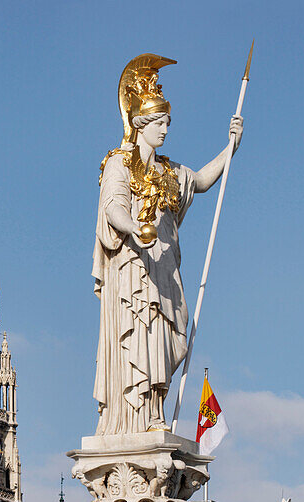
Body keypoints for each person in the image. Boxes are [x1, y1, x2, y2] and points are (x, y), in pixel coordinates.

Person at [93, 55, 243, 434]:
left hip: (164, 268)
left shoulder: (169, 171)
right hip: (133, 271)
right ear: (140, 124)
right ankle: (139, 415)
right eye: (159, 123)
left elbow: (203, 181)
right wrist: (136, 230)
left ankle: (155, 408)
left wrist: (231, 147)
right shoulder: (119, 165)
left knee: (164, 336)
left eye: (167, 123)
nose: (165, 130)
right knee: (139, 334)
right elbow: (113, 208)